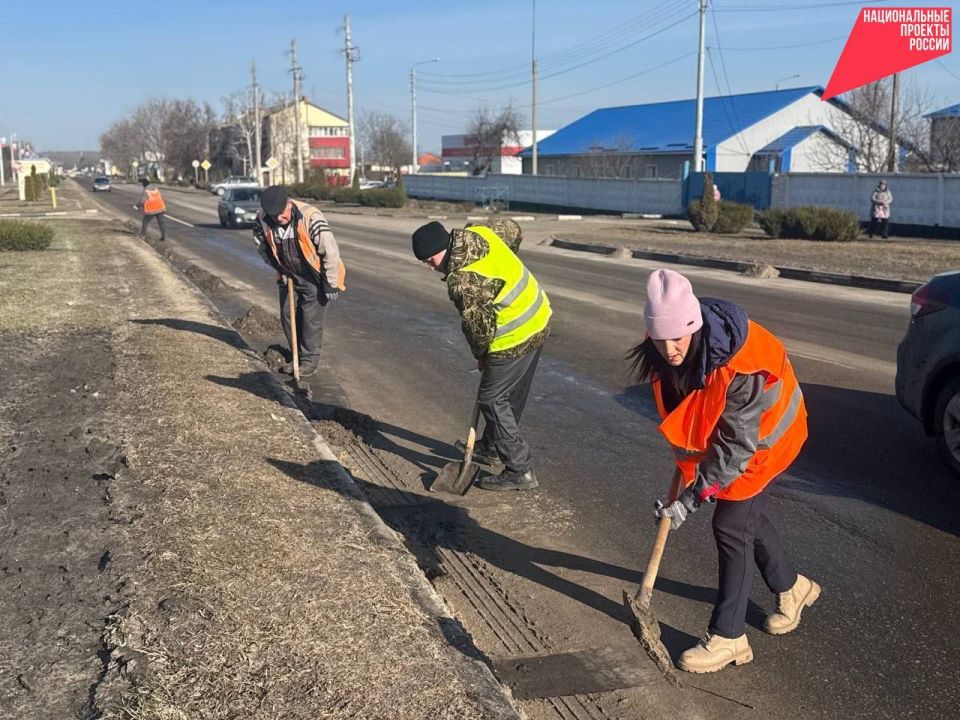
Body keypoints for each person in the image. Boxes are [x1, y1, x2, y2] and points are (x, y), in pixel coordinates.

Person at [630, 268, 819, 674]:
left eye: (677, 338)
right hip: (734, 443)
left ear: (694, 326)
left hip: (768, 440)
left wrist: (690, 500)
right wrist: (687, 473)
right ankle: (792, 586)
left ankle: (729, 637)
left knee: (731, 525)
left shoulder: (738, 365)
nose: (670, 349)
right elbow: (692, 417)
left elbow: (736, 448)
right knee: (744, 518)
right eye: (660, 340)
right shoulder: (664, 346)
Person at [412, 219, 551, 491]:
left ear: (445, 246)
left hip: (514, 335)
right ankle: (490, 446)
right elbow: (512, 230)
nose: (430, 267)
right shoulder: (477, 231)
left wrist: (481, 354)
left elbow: (479, 327)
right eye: (425, 262)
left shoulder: (462, 281)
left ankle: (519, 469)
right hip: (538, 315)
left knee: (491, 397)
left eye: (431, 259)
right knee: (511, 393)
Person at [253, 185, 344, 378]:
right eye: (274, 216)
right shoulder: (263, 219)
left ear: (289, 203)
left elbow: (330, 251)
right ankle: (297, 357)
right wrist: (279, 269)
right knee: (287, 314)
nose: (279, 219)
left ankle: (309, 360)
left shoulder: (310, 217)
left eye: (282, 214)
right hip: (288, 274)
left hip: (314, 275)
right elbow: (262, 247)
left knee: (310, 318)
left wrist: (330, 282)